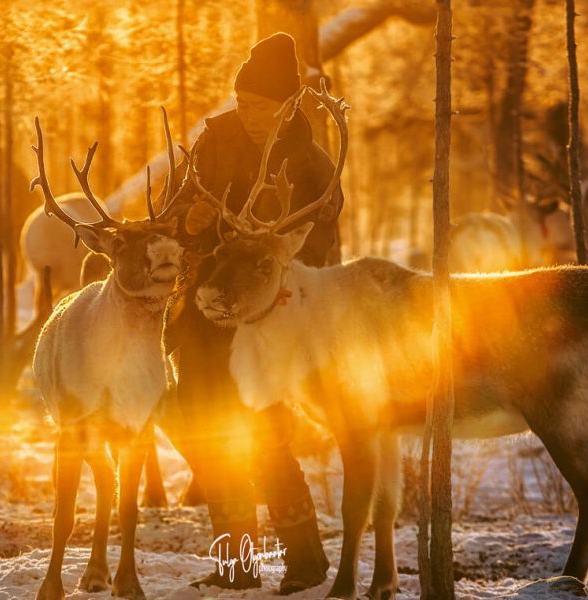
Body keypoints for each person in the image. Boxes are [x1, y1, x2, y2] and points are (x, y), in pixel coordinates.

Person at [159, 32, 344, 594]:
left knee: (265, 438)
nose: (249, 116)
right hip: (201, 314)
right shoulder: (214, 138)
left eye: (260, 107)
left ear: (288, 105)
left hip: (266, 324)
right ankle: (236, 566)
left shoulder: (312, 163)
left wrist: (265, 257)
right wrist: (186, 220)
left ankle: (305, 562)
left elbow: (317, 245)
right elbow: (174, 206)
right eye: (242, 104)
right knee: (212, 439)